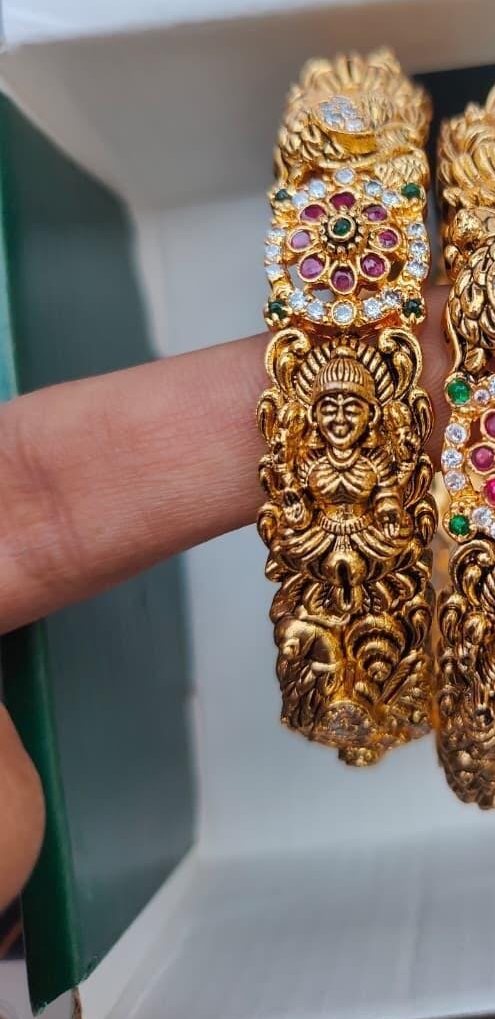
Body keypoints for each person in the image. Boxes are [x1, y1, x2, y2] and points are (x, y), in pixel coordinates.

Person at [0, 301, 450, 909]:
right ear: (307, 414)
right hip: (319, 565)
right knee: (318, 646)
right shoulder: (301, 469)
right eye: (329, 407)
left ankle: (382, 700)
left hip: (376, 568)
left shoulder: (385, 474)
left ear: (376, 415)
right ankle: (343, 703)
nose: (342, 419)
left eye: (355, 408)